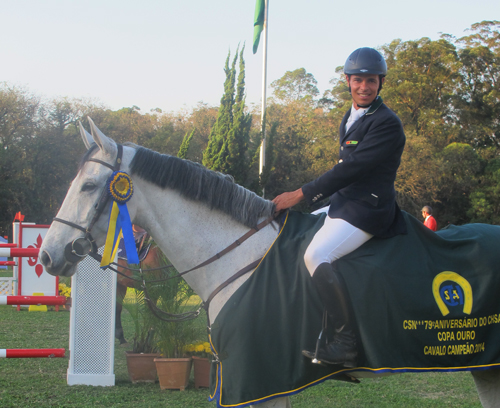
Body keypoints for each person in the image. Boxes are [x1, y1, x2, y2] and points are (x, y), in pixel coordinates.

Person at [272, 47, 407, 368]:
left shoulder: (387, 122)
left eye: (371, 81)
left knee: (315, 255)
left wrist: (300, 193)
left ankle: (346, 342)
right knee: (295, 231)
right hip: (345, 202)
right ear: (347, 81)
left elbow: (351, 169)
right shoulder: (350, 115)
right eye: (358, 80)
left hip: (368, 210)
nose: (365, 87)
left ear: (380, 83)